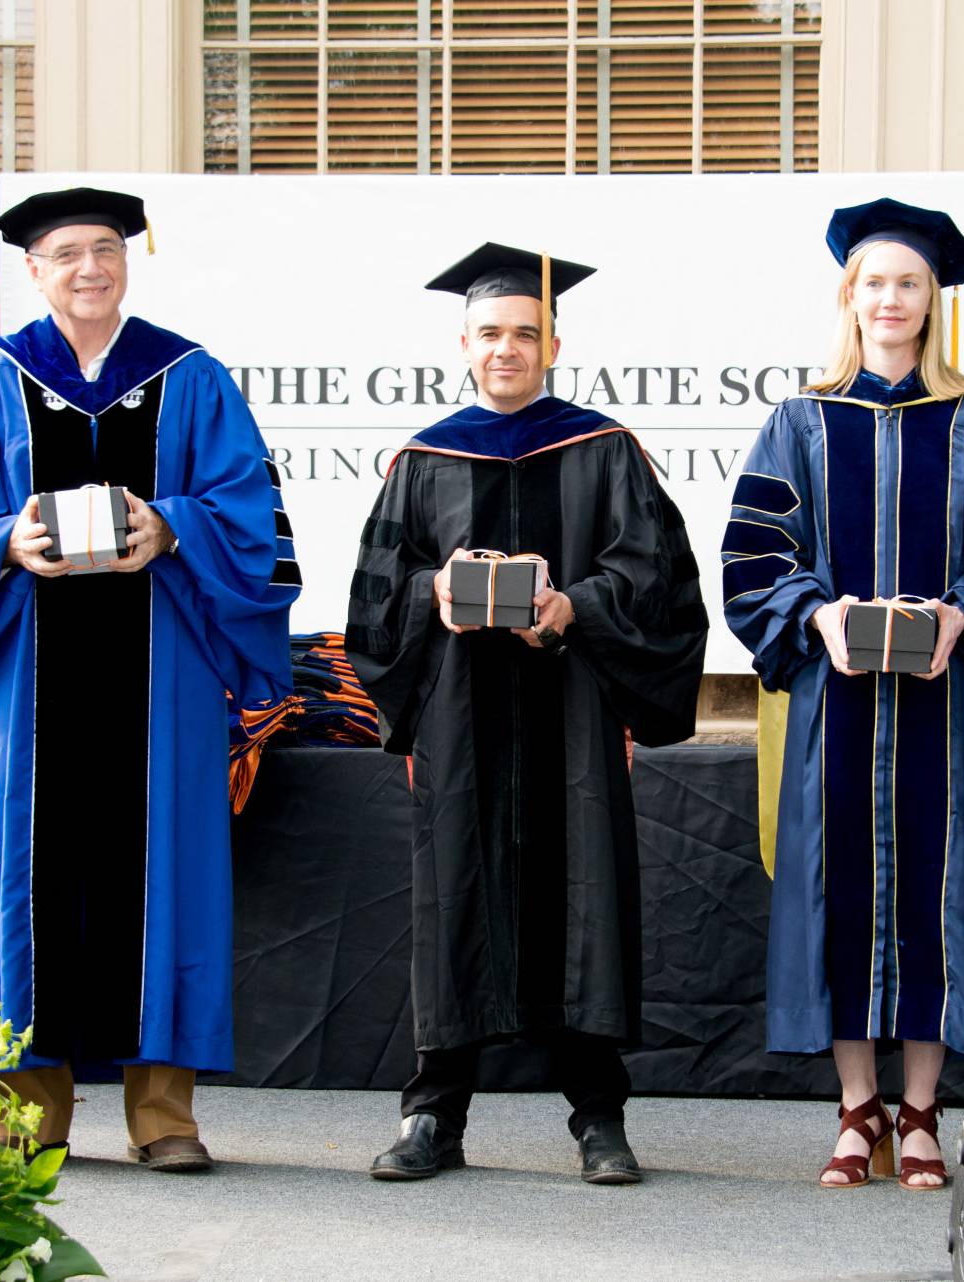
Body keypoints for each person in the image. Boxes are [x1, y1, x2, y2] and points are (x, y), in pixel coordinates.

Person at [0, 186, 299, 1172]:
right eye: (69, 253)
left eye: (108, 250)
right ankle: (24, 1110)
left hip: (159, 675)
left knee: (163, 876)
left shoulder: (190, 376)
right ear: (32, 272)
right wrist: (8, 541)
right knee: (17, 886)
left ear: (128, 262)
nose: (92, 268)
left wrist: (174, 528)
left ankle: (163, 1114)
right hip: (24, 679)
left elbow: (248, 510)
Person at [721, 198, 964, 1189]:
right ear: (850, 296)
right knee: (841, 895)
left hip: (943, 703)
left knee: (936, 890)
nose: (891, 299)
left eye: (908, 282)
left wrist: (963, 613)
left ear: (932, 298)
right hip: (833, 712)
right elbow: (753, 557)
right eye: (874, 282)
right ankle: (853, 1108)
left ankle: (919, 1109)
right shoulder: (798, 420)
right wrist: (817, 614)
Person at [347, 242, 707, 1186]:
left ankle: (599, 1116)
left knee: (581, 893)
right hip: (460, 717)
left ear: (555, 342)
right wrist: (433, 593)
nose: (507, 349)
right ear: (462, 342)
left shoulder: (604, 450)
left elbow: (658, 580)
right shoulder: (425, 460)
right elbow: (377, 595)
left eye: (525, 334)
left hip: (574, 715)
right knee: (452, 897)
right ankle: (435, 1114)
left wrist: (571, 608)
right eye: (490, 334)